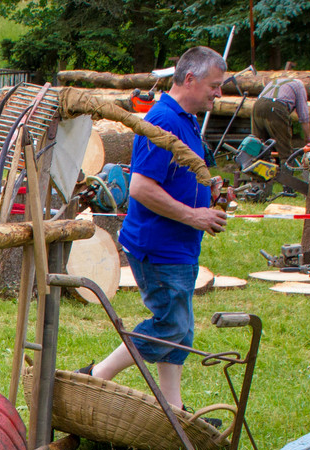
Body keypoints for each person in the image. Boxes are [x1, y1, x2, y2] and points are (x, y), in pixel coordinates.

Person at [85, 46, 227, 412]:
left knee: (181, 327)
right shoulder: (164, 120)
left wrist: (206, 188)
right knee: (171, 327)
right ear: (190, 79)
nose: (219, 93)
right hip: (159, 246)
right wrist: (195, 216)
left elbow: (175, 174)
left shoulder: (186, 119)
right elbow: (141, 188)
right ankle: (96, 375)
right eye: (215, 85)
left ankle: (173, 407)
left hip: (177, 246)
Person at [251, 72, 310, 166]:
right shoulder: (300, 86)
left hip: (257, 106)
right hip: (275, 107)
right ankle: (286, 175)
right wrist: (308, 137)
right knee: (284, 148)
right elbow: (303, 116)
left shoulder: (277, 81)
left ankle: (256, 173)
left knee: (259, 145)